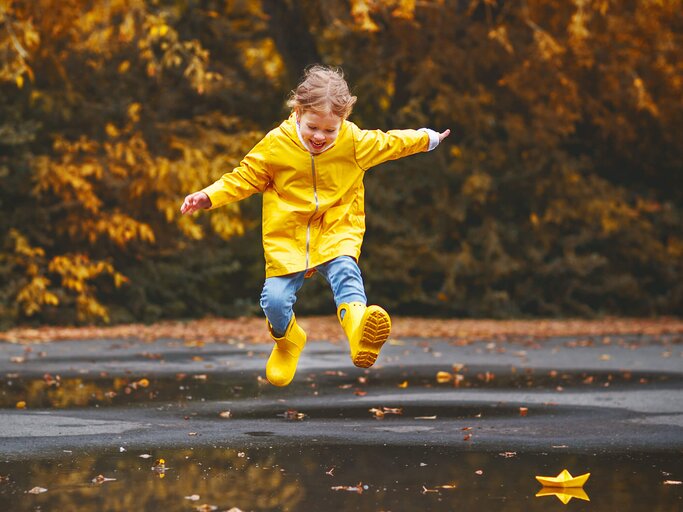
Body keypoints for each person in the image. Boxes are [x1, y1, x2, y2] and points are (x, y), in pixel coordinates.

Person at [181, 65, 450, 386]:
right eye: (313, 128)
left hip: (338, 228)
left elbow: (391, 143)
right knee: (275, 302)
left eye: (330, 130)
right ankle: (288, 341)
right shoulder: (275, 145)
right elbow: (243, 177)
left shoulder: (353, 142)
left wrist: (429, 138)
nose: (321, 137)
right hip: (288, 237)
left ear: (343, 121)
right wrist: (208, 196)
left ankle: (359, 333)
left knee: (346, 273)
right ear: (297, 112)